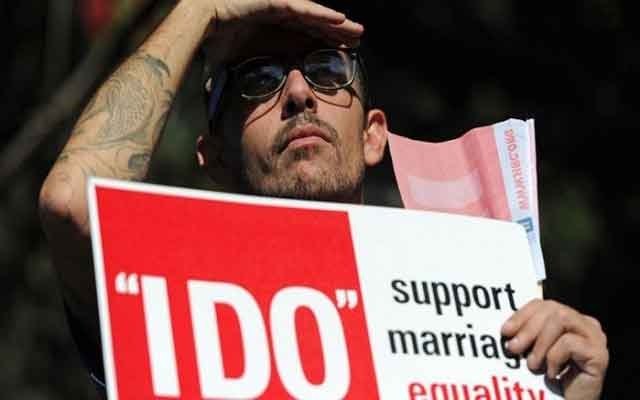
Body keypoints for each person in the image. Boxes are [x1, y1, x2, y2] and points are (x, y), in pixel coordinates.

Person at [38, 0, 609, 398]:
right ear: (216, 157)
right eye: (256, 79)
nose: (298, 93)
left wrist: (562, 395)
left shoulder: (462, 318)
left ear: (374, 135)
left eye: (328, 70)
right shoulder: (174, 287)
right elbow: (71, 203)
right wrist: (198, 11)